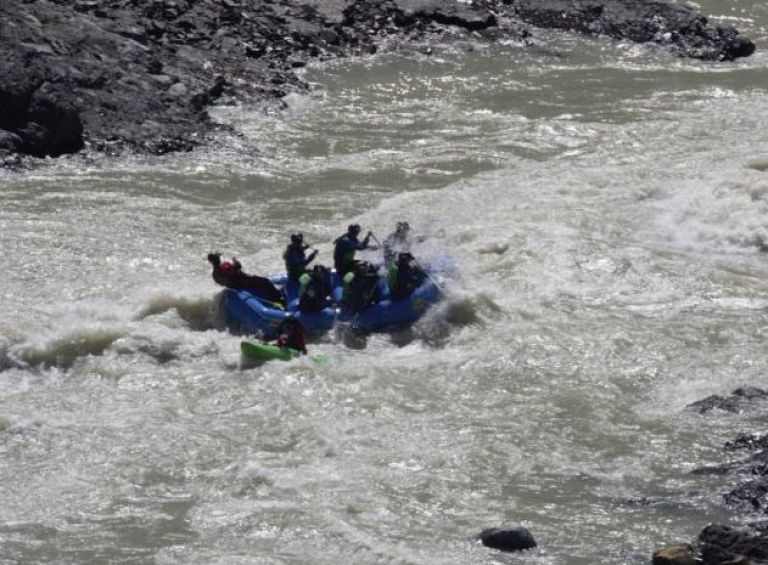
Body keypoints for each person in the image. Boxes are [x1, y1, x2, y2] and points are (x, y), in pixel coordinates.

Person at [207, 252, 284, 304]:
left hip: (234, 286)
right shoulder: (224, 266)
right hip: (244, 281)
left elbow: (221, 282)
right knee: (266, 281)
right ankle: (280, 299)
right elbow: (238, 267)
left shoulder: (214, 274)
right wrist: (235, 261)